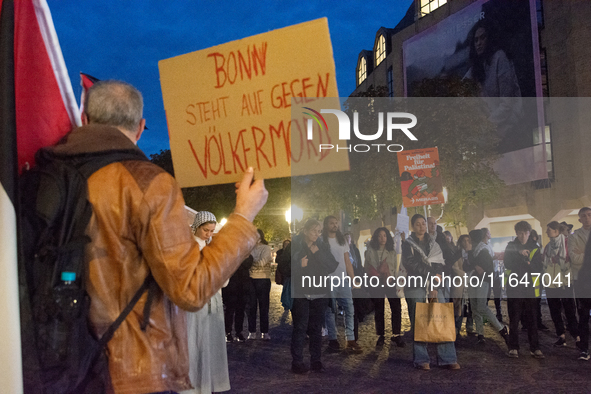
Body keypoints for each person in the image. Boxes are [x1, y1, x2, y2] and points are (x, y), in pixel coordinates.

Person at [74, 80, 267, 393]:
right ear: (141, 127)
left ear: (85, 119)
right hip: (133, 370)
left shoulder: (53, 174)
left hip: (65, 361)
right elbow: (190, 289)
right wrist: (244, 217)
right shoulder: (148, 183)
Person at [402, 214, 460, 370]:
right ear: (413, 226)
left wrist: (434, 286)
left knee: (441, 317)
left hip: (435, 284)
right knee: (418, 320)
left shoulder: (435, 244)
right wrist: (431, 273)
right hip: (415, 284)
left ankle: (448, 357)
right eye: (418, 224)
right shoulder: (407, 244)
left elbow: (439, 265)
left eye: (423, 224)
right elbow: (411, 263)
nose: (421, 227)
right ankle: (421, 359)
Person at [183, 212, 230, 394]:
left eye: (211, 231)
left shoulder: (213, 247)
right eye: (205, 230)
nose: (209, 234)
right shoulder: (188, 247)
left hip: (214, 300)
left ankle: (207, 384)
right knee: (193, 343)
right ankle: (191, 385)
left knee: (210, 344)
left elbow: (223, 278)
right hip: (195, 301)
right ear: (197, 227)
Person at [463, 19, 523, 153]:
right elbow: (460, 86)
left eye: (482, 38)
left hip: (508, 123)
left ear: (490, 38)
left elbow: (507, 105)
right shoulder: (478, 65)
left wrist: (484, 126)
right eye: (476, 40)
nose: (479, 43)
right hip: (491, 124)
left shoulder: (500, 58)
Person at [290, 219, 337, 374]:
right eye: (314, 230)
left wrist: (318, 253)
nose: (317, 233)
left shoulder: (322, 246)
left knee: (316, 328)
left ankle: (316, 361)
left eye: (319, 231)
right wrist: (298, 264)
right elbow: (284, 266)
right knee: (300, 328)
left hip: (320, 293)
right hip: (301, 293)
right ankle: (297, 362)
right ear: (305, 231)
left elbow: (331, 266)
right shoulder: (296, 246)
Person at [503, 221, 544, 359]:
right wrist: (520, 255)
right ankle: (513, 347)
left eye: (525, 233)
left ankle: (535, 348)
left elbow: (538, 267)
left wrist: (528, 263)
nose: (522, 236)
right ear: (516, 233)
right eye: (520, 233)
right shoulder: (511, 246)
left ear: (529, 233)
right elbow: (507, 263)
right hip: (514, 286)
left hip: (530, 287)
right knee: (514, 318)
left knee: (532, 319)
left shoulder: (535, 248)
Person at [323, 216, 362, 354]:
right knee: (330, 310)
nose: (335, 225)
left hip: (342, 279)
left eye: (336, 223)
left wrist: (352, 279)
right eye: (332, 223)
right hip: (328, 280)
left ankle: (350, 338)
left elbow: (347, 261)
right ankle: (333, 339)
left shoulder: (342, 241)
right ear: (326, 225)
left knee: (349, 308)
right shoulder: (322, 240)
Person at [465, 230, 509, 346]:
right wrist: (475, 266)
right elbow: (466, 265)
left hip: (482, 282)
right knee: (474, 308)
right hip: (472, 281)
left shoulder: (483, 250)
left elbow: (488, 269)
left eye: (470, 237)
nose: (468, 240)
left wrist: (474, 266)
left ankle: (501, 328)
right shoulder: (471, 251)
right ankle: (480, 334)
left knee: (481, 307)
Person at [365, 227, 405, 348]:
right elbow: (367, 267)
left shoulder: (392, 252)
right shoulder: (370, 251)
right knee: (379, 309)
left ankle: (396, 334)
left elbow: (394, 268)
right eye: (380, 236)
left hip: (390, 281)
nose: (382, 238)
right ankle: (380, 335)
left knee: (396, 307)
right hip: (376, 281)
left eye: (385, 236)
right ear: (376, 238)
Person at [543, 221, 579, 347]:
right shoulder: (548, 246)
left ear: (556, 231)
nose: (547, 232)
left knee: (569, 309)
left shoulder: (567, 243)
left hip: (565, 281)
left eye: (549, 229)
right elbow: (545, 263)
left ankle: (577, 336)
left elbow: (573, 260)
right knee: (555, 310)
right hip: (551, 283)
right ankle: (561, 335)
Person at [248, 229, 273, 340]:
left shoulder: (266, 248)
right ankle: (251, 331)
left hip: (263, 279)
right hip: (250, 279)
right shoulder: (249, 248)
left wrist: (251, 263)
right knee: (251, 307)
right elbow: (244, 262)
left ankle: (265, 331)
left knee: (264, 307)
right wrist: (254, 263)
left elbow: (262, 263)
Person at [482, 228, 504, 322]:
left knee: (497, 293)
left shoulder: (489, 244)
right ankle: (485, 315)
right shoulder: (482, 246)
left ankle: (499, 313)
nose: (490, 234)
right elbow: (485, 260)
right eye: (489, 232)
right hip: (488, 273)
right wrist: (494, 257)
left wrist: (495, 257)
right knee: (486, 294)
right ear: (486, 234)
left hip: (495, 271)